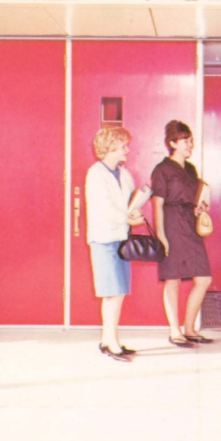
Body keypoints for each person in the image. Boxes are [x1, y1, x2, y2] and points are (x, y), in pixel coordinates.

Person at [85, 126, 144, 362]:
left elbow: (128, 202)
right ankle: (111, 342)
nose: (127, 150)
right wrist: (126, 217)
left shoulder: (124, 173)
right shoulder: (95, 174)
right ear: (109, 148)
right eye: (123, 146)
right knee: (113, 293)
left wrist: (136, 211)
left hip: (121, 238)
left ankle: (108, 340)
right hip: (104, 240)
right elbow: (104, 208)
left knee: (117, 293)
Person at [152, 120, 213, 347]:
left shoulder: (191, 169)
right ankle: (175, 331)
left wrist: (200, 207)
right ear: (173, 143)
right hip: (171, 224)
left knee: (204, 279)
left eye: (191, 140)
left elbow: (193, 197)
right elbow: (158, 204)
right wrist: (161, 235)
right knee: (173, 278)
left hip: (189, 222)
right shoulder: (162, 170)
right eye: (186, 141)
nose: (191, 145)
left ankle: (189, 328)